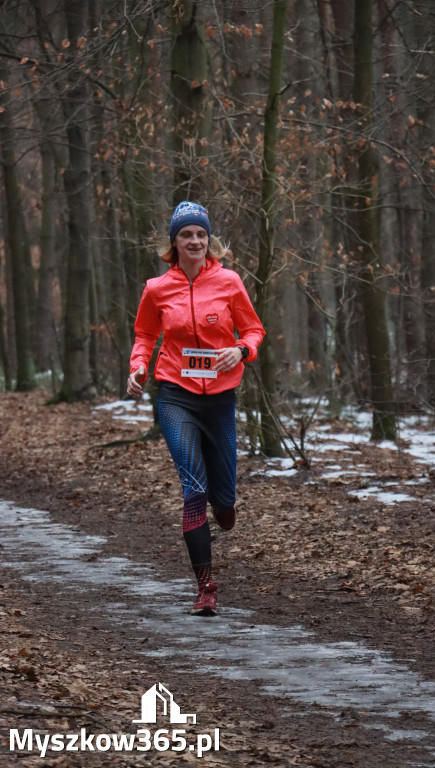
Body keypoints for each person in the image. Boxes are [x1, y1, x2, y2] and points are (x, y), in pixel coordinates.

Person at [127, 201, 265, 616]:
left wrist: (241, 350)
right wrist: (138, 368)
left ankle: (224, 506)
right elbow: (144, 335)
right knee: (193, 488)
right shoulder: (157, 288)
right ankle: (205, 588)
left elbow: (254, 330)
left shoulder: (229, 282)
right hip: (175, 395)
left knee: (222, 499)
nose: (194, 241)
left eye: (200, 235)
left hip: (220, 400)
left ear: (209, 241)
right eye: (186, 234)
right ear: (175, 242)